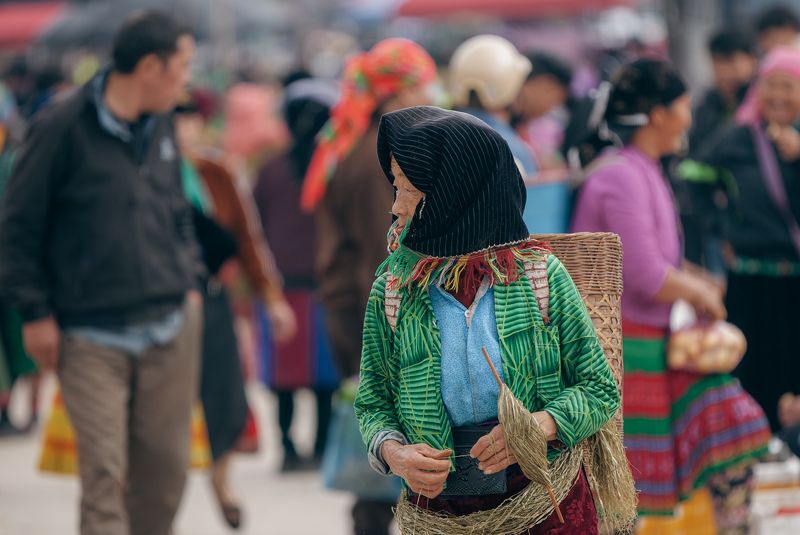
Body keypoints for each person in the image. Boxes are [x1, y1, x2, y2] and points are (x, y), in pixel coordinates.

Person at [356, 106, 626, 534]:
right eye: (396, 188)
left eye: (408, 190)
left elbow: (599, 390)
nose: (396, 207)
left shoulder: (540, 277)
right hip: (442, 514)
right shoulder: (393, 290)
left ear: (452, 196)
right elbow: (373, 404)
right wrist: (395, 454)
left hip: (546, 507)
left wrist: (539, 426)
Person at [0, 12, 201, 535]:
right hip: (89, 336)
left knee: (164, 478)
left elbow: (177, 210)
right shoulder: (59, 127)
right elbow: (17, 227)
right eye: (182, 66)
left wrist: (190, 280)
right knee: (104, 477)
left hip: (168, 326)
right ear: (151, 67)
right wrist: (36, 313)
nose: (187, 80)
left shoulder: (160, 124)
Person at [572, 59, 770, 532]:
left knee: (726, 434)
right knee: (725, 431)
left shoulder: (643, 171)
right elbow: (645, 275)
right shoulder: (621, 174)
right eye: (682, 106)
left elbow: (659, 264)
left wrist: (697, 282)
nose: (688, 117)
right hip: (623, 349)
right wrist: (700, 291)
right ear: (659, 114)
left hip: (652, 342)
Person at [301, 38, 437, 535]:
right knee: (385, 448)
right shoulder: (378, 159)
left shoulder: (355, 146)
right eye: (422, 87)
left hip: (351, 311)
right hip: (367, 315)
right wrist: (391, 333)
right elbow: (383, 256)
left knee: (380, 448)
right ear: (395, 95)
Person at [174, 93, 296, 529]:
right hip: (160, 305)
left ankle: (221, 481)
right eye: (173, 119)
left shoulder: (216, 173)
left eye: (187, 118)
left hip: (210, 298)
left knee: (225, 396)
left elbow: (247, 238)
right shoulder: (145, 174)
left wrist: (272, 297)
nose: (181, 127)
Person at [696, 46, 800, 434]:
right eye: (770, 85)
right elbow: (693, 177)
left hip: (796, 279)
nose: (778, 95)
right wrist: (724, 223)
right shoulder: (737, 138)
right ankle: (761, 448)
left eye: (789, 86)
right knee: (754, 370)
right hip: (751, 278)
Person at [253, 76, 340, 472]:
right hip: (324, 288)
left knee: (283, 380)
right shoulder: (335, 169)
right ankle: (320, 448)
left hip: (281, 288)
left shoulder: (270, 170)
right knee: (326, 380)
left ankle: (288, 448)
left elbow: (255, 227)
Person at [677, 29, 758, 276]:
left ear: (751, 60)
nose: (724, 72)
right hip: (715, 223)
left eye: (731, 61)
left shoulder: (761, 105)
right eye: (717, 63)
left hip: (756, 224)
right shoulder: (707, 106)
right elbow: (693, 165)